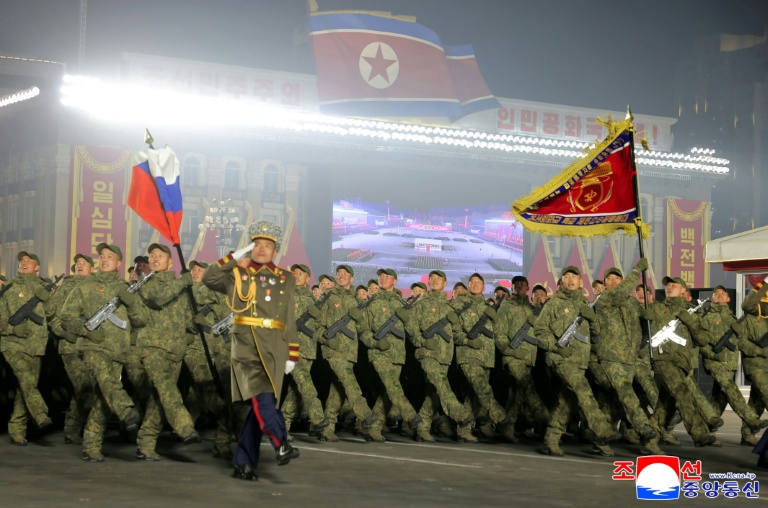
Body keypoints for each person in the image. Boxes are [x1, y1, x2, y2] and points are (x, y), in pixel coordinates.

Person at [203, 221, 300, 481]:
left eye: (267, 246)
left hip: (276, 348)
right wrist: (235, 256)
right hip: (247, 345)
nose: (261, 250)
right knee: (263, 399)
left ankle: (243, 462)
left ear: (275, 250)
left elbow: (289, 315)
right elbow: (208, 277)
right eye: (256, 245)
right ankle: (281, 444)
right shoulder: (238, 275)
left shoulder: (285, 278)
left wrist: (292, 351)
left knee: (261, 406)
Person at [61, 243, 146, 462]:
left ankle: (91, 446)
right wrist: (86, 333)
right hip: (93, 347)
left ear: (118, 262)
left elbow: (139, 321)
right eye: (101, 256)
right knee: (108, 382)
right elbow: (67, 317)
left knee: (102, 399)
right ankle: (127, 410)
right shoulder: (85, 286)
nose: (104, 259)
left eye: (110, 256)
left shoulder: (126, 288)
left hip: (118, 350)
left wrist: (133, 304)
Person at [534, 266, 617, 456]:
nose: (570, 279)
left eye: (574, 276)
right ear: (562, 281)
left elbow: (595, 335)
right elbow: (539, 331)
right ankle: (601, 431)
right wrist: (555, 347)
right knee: (582, 389)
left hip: (580, 361)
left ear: (581, 281)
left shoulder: (585, 305)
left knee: (567, 400)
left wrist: (593, 319)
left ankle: (551, 439)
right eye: (566, 276)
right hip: (561, 358)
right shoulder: (554, 303)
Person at [135, 243, 202, 461]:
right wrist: (184, 281)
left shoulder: (181, 287)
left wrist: (195, 323)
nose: (154, 258)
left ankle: (145, 443)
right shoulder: (146, 283)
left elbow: (185, 319)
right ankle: (185, 426)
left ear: (170, 262)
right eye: (152, 255)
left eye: (160, 255)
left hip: (175, 351)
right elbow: (159, 298)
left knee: (159, 399)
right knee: (166, 389)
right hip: (153, 347)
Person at [401, 270, 473, 443]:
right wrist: (421, 342)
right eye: (431, 278)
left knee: (433, 393)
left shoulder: (450, 307)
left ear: (445, 283)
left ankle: (422, 428)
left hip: (445, 355)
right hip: (427, 353)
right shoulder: (422, 302)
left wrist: (461, 331)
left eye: (437, 278)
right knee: (441, 384)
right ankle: (459, 413)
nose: (433, 281)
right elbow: (411, 326)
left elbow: (455, 333)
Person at [358, 268, 421, 442]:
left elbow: (413, 332)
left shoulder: (401, 304)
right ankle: (410, 415)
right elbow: (362, 330)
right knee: (393, 386)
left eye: (387, 276)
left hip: (398, 354)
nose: (383, 278)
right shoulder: (371, 303)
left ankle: (373, 428)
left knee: (387, 392)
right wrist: (375, 343)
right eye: (381, 276)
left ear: (395, 281)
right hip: (379, 353)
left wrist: (407, 318)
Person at [315, 264, 376, 442]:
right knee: (349, 381)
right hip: (333, 350)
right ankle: (365, 414)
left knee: (338, 391)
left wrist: (360, 320)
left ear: (352, 279)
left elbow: (363, 329)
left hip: (350, 352)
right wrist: (326, 340)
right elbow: (317, 327)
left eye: (345, 273)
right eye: (338, 273)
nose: (341, 275)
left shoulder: (356, 302)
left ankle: (327, 428)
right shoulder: (328, 298)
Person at [0, 251, 56, 445]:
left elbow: (51, 314)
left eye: (28, 260)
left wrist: (47, 298)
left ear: (37, 267)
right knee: (25, 378)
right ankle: (41, 413)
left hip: (36, 345)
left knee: (25, 387)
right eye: (21, 261)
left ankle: (17, 427)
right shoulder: (8, 288)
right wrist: (12, 330)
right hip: (12, 344)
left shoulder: (43, 288)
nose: (23, 263)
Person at [699, 285, 768, 439]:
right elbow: (700, 340)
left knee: (720, 398)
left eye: (723, 293)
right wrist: (711, 355)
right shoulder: (705, 317)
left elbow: (737, 341)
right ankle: (752, 421)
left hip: (730, 364)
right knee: (731, 390)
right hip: (717, 362)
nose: (720, 295)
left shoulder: (733, 318)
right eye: (716, 293)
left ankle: (705, 431)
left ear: (728, 298)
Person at [452, 273, 508, 441]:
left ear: (484, 287)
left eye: (479, 282)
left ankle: (464, 430)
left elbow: (497, 332)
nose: (475, 284)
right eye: (472, 282)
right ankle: (501, 417)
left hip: (486, 357)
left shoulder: (487, 307)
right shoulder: (460, 304)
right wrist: (467, 342)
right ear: (468, 286)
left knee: (474, 394)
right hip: (468, 355)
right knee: (482, 388)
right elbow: (454, 331)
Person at [48, 253, 95, 445]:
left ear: (92, 268)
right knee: (84, 385)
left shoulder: (96, 288)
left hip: (91, 345)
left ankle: (74, 429)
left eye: (84, 263)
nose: (80, 266)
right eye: (77, 263)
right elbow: (52, 313)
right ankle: (79, 429)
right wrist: (61, 332)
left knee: (86, 388)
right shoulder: (65, 287)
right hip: (69, 346)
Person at [281, 263, 329, 441]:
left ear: (308, 277)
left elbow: (317, 327)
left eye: (300, 273)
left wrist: (317, 316)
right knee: (305, 384)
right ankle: (318, 417)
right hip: (291, 348)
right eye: (294, 273)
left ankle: (281, 428)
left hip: (308, 349)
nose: (296, 275)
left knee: (295, 390)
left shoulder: (312, 299)